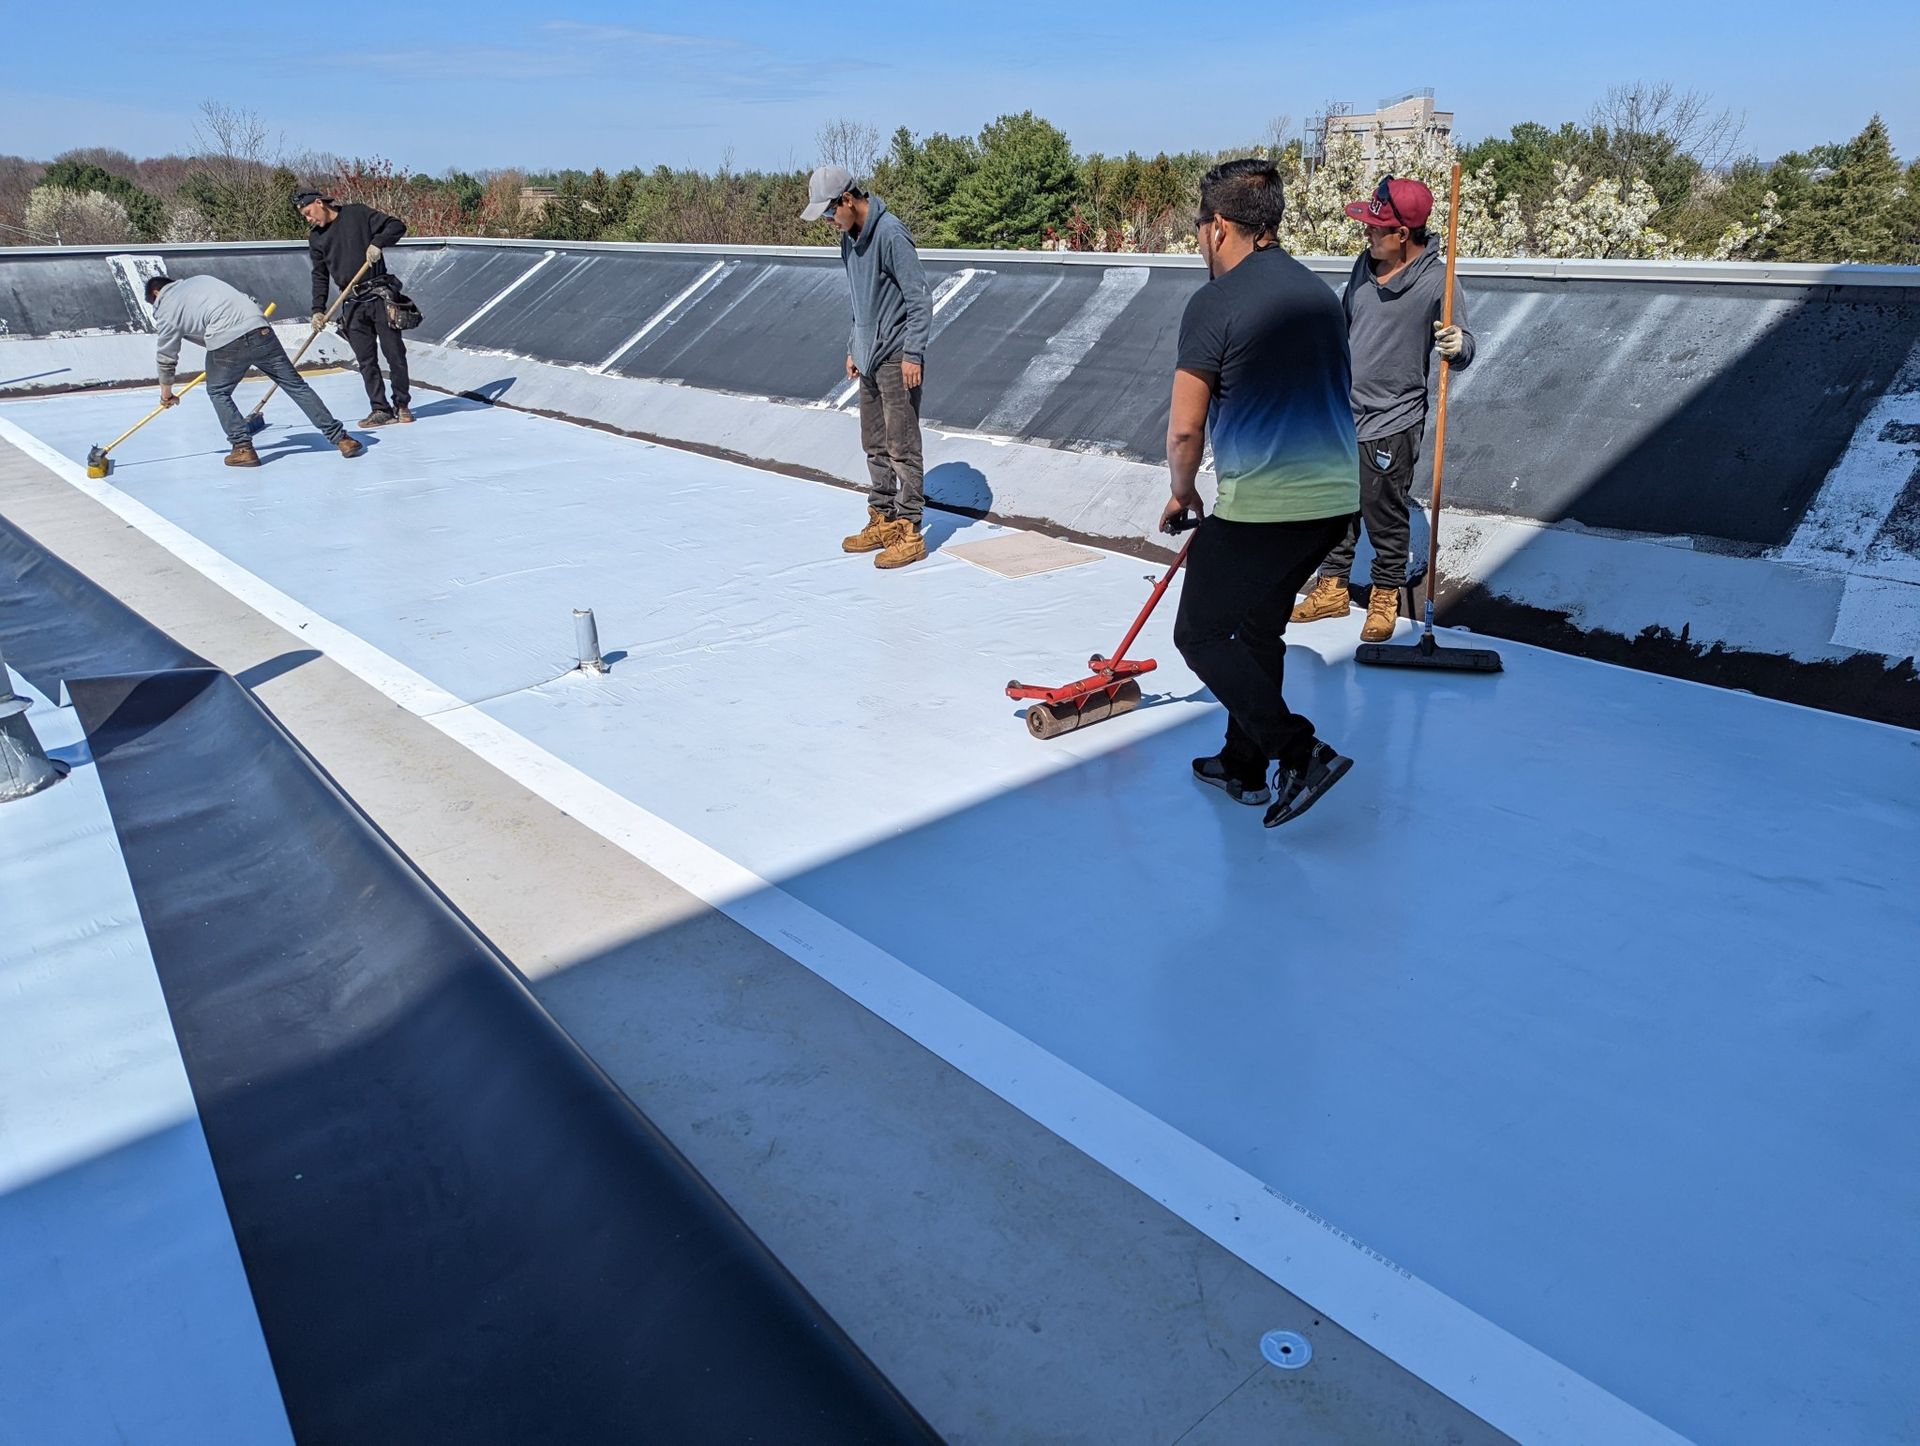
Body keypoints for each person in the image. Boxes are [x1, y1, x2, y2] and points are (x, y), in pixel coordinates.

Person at [1163, 158, 1360, 828]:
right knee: (1256, 628)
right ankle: (1243, 765)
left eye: (1199, 227)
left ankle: (1298, 752)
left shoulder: (1214, 303)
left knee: (1198, 632)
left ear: (1219, 227)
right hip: (1333, 501)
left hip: (1266, 507)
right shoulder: (1316, 293)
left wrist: (1181, 493)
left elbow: (1186, 429)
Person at [1292, 176, 1475, 642]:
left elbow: (1465, 342)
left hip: (1394, 418)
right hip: (1344, 410)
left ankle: (1385, 593)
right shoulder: (1364, 266)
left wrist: (1458, 344)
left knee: (1383, 510)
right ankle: (1332, 588)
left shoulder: (1439, 281)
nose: (1368, 235)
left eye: (1377, 228)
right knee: (1335, 504)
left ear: (1404, 235)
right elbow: (1344, 322)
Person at [802, 164, 933, 570]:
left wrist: (914, 353)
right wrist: (852, 347)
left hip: (897, 358)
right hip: (868, 357)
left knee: (902, 446)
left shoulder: (891, 234)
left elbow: (920, 298)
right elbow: (860, 302)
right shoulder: (848, 241)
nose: (829, 222)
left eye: (829, 213)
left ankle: (909, 529)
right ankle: (883, 517)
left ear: (847, 200)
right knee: (874, 445)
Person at [148, 273, 362, 467]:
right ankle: (342, 439)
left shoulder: (166, 307)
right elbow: (249, 301)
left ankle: (242, 448)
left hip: (226, 341)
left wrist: (166, 394)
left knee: (218, 392)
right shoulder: (202, 281)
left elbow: (167, 356)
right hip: (259, 328)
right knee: (296, 386)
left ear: (156, 293)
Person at [297, 189, 412, 426]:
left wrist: (378, 243)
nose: (309, 219)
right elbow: (320, 275)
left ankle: (402, 404)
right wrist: (317, 309)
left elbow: (397, 226)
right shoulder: (316, 238)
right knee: (366, 360)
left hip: (380, 295)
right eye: (305, 216)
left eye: (309, 213)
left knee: (395, 353)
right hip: (351, 301)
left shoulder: (357, 214)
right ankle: (381, 409)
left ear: (319, 203)